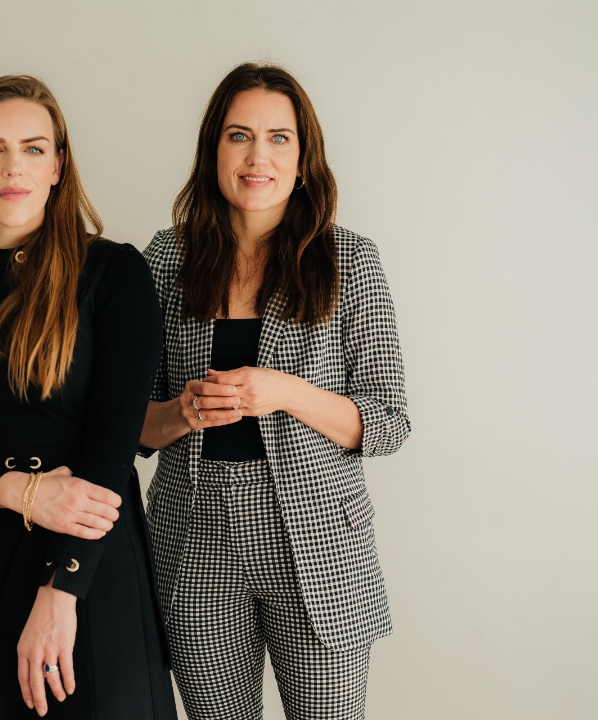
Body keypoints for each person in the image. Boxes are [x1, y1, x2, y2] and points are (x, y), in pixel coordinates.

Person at [0, 75, 176, 720]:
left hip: (87, 563)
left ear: (58, 166)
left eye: (33, 148)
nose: (13, 166)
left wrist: (61, 591)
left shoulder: (114, 273)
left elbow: (112, 442)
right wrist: (20, 492)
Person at [139, 63, 411, 720]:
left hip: (317, 543)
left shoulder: (351, 261)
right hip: (196, 538)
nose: (258, 155)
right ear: (214, 151)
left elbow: (388, 421)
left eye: (278, 137)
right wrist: (180, 412)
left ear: (303, 156)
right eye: (239, 136)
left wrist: (286, 392)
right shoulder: (164, 260)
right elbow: (129, 424)